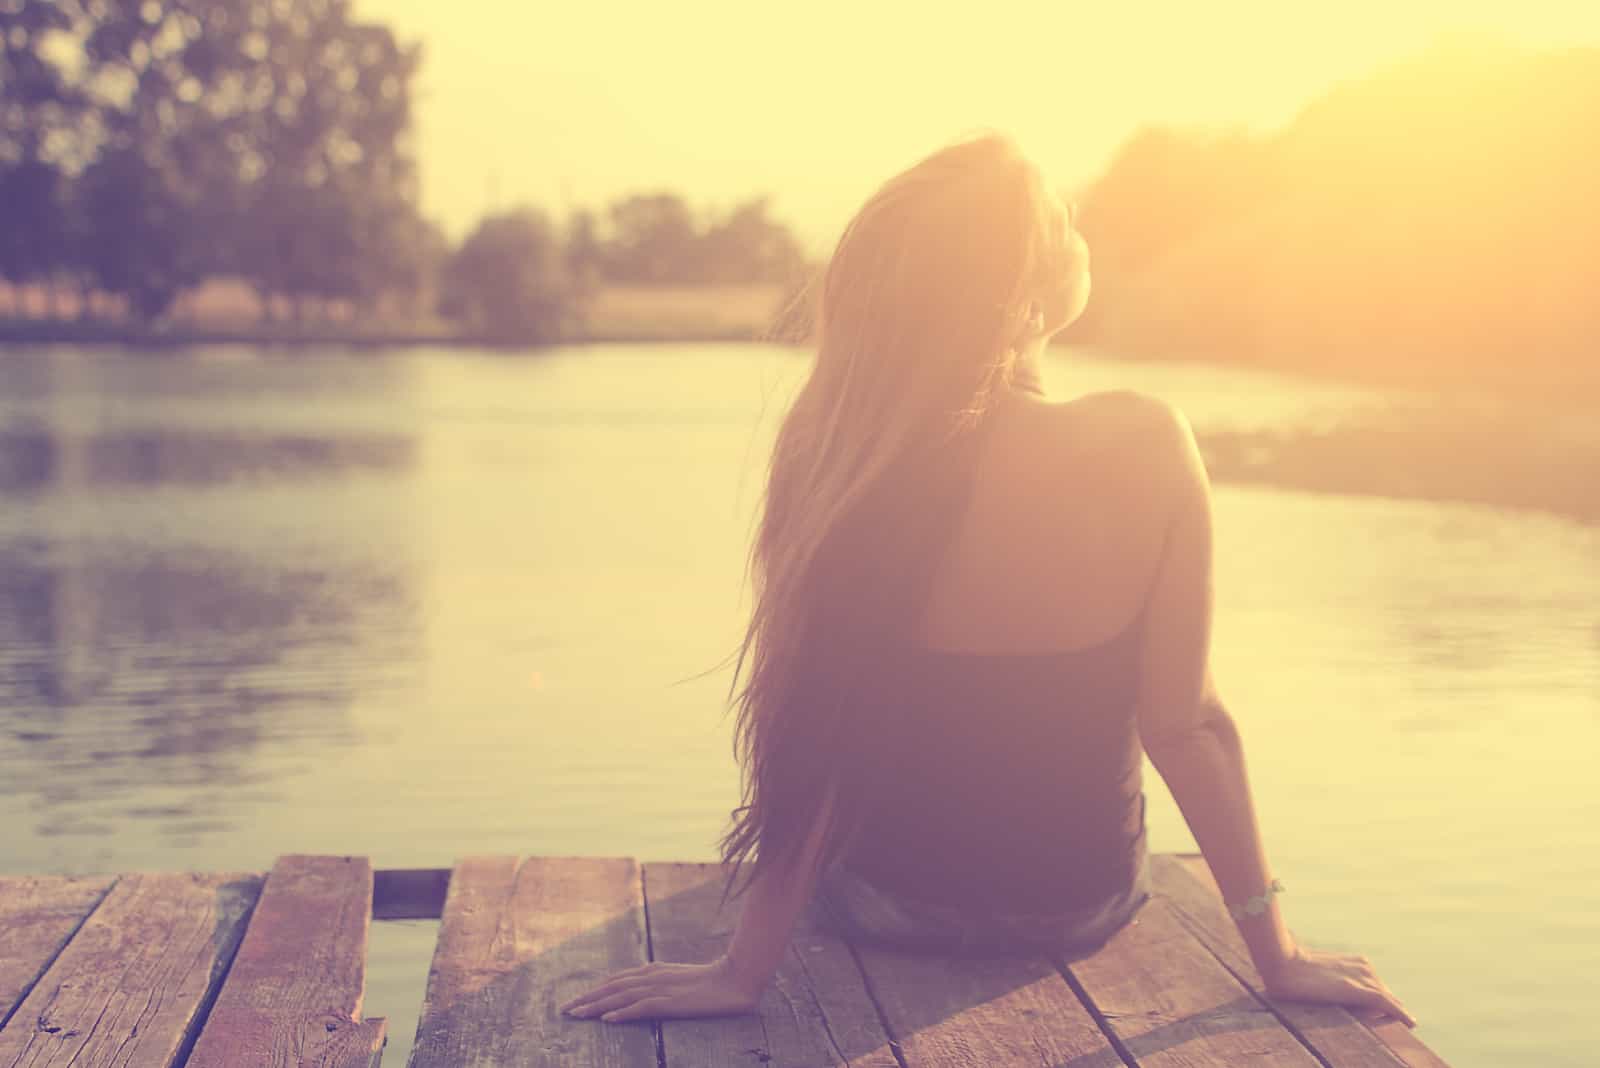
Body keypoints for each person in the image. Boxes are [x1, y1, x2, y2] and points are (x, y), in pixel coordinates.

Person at [562, 131, 1415, 1028]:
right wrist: (1276, 952)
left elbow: (811, 724)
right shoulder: (1147, 442)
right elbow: (1186, 723)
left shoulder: (835, 445)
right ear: (1025, 303)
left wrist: (744, 969)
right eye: (1062, 222)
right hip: (1078, 905)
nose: (1081, 227)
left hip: (887, 902)